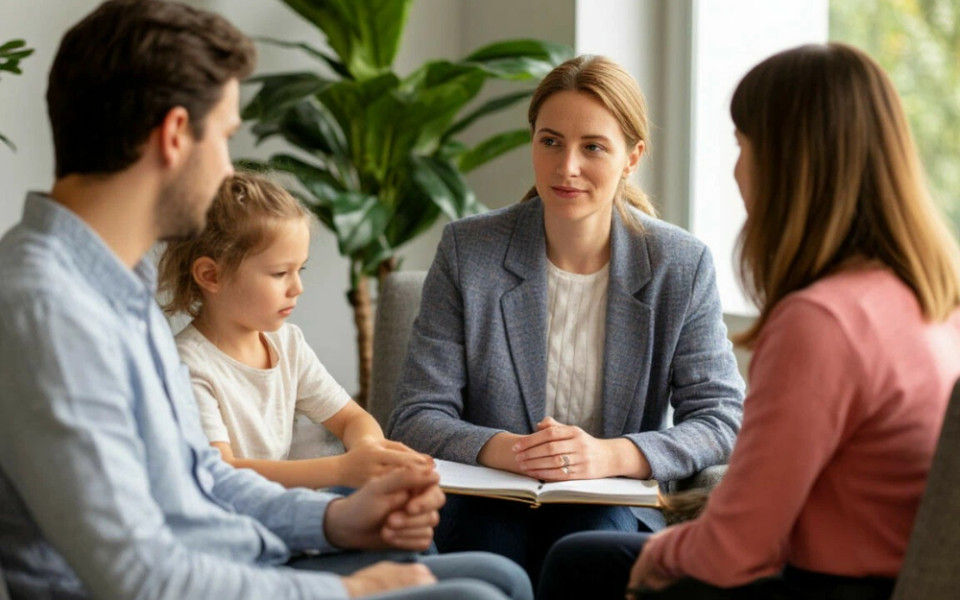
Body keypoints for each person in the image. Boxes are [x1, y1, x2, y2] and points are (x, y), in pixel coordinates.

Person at [0, 2, 532, 599]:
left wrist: (335, 520)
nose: (229, 167)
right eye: (225, 137)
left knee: (498, 575)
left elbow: (201, 476)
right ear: (176, 135)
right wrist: (346, 594)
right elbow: (139, 575)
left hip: (235, 558)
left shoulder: (114, 290)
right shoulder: (47, 309)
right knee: (476, 596)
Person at [538, 42, 960, 600]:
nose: (737, 168)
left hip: (826, 584)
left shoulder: (821, 322)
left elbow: (735, 548)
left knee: (580, 562)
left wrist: (659, 556)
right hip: (888, 577)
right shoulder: (934, 301)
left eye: (743, 144)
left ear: (789, 163)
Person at [387, 54, 745, 583]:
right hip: (488, 501)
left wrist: (610, 455)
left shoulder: (680, 265)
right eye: (550, 141)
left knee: (589, 543)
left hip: (610, 505)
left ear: (632, 157)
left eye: (593, 147)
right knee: (490, 545)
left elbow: (721, 419)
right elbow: (416, 414)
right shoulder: (469, 250)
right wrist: (515, 452)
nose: (566, 166)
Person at [157, 171, 428, 490]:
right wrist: (343, 470)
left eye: (300, 270)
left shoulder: (287, 343)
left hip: (284, 506)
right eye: (280, 273)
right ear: (211, 275)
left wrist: (367, 450)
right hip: (237, 520)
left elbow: (351, 419)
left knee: (394, 499)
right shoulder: (187, 365)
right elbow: (221, 473)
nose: (297, 287)